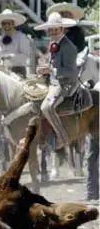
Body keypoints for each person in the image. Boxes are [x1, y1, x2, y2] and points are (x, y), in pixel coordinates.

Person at [34, 12, 78, 150]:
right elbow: (53, 64)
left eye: (56, 29)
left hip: (66, 84)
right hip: (53, 82)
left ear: (62, 29)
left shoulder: (69, 47)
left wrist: (51, 71)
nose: (53, 32)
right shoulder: (53, 43)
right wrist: (43, 69)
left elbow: (70, 72)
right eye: (50, 29)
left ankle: (63, 138)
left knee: (46, 107)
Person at [0, 9, 31, 79]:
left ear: (13, 24)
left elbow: (25, 57)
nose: (6, 26)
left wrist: (11, 56)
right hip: (2, 72)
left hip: (18, 72)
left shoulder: (21, 37)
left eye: (9, 23)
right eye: (4, 24)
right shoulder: (0, 38)